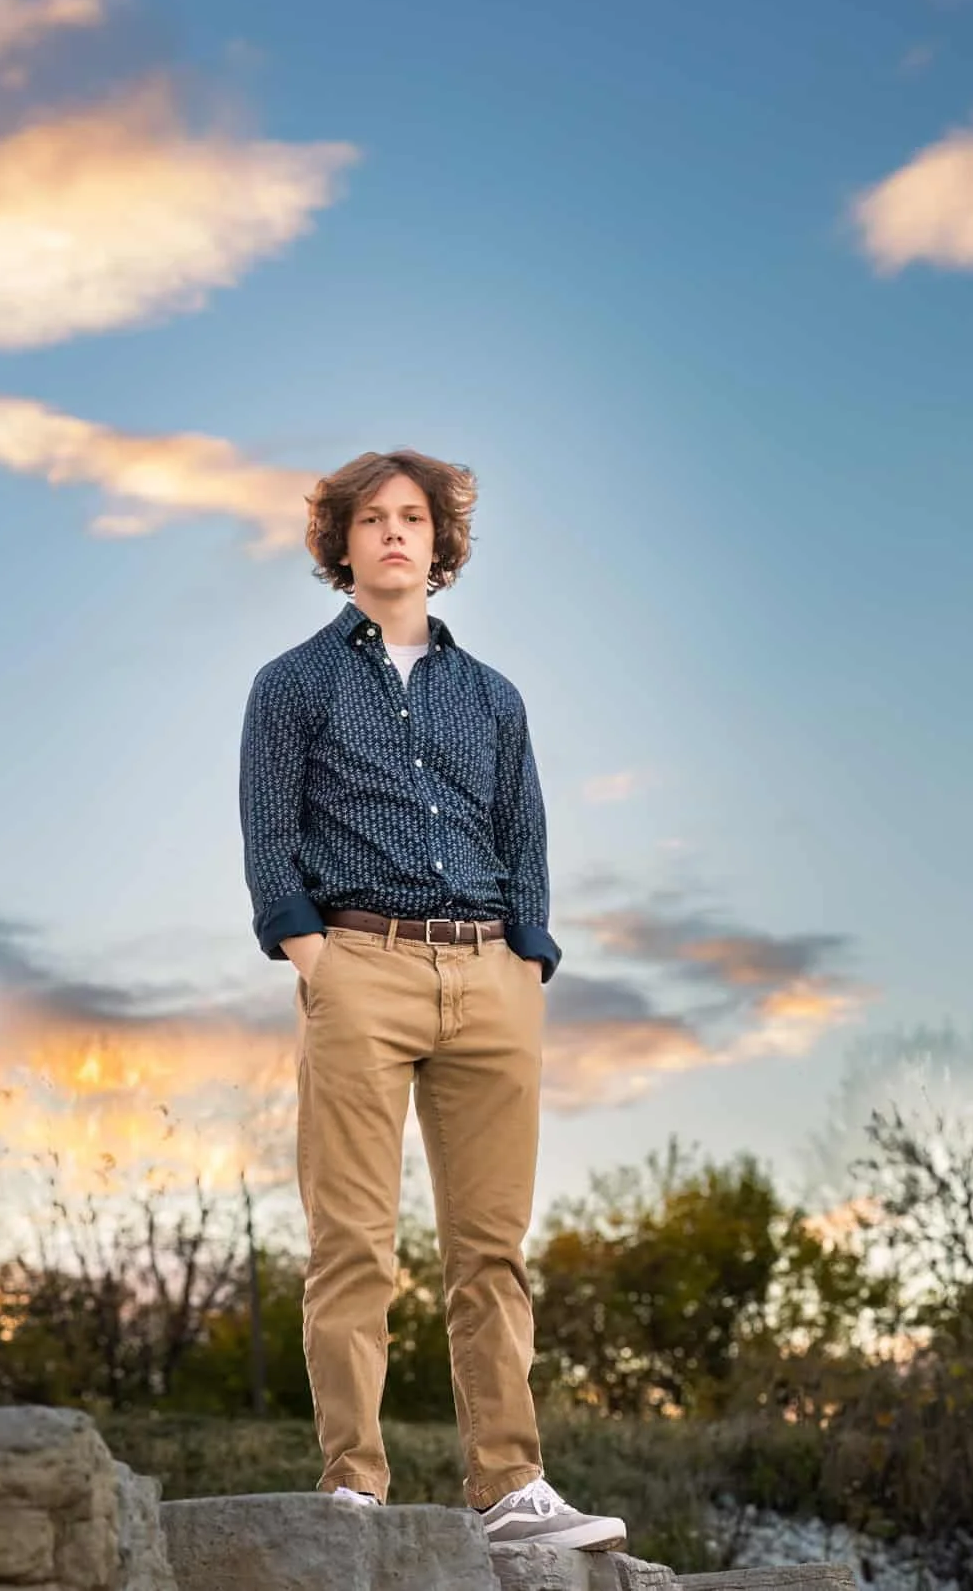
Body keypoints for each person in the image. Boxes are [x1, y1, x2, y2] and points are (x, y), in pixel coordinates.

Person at [238, 448, 627, 1551]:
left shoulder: (493, 696)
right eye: (372, 519)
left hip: (491, 978)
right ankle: (351, 1486)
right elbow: (268, 835)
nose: (394, 533)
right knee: (353, 1241)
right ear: (342, 542)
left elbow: (526, 834)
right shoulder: (292, 683)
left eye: (412, 517)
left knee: (490, 1252)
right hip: (360, 965)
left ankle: (509, 1488)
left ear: (439, 542)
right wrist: (315, 958)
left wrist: (527, 956)